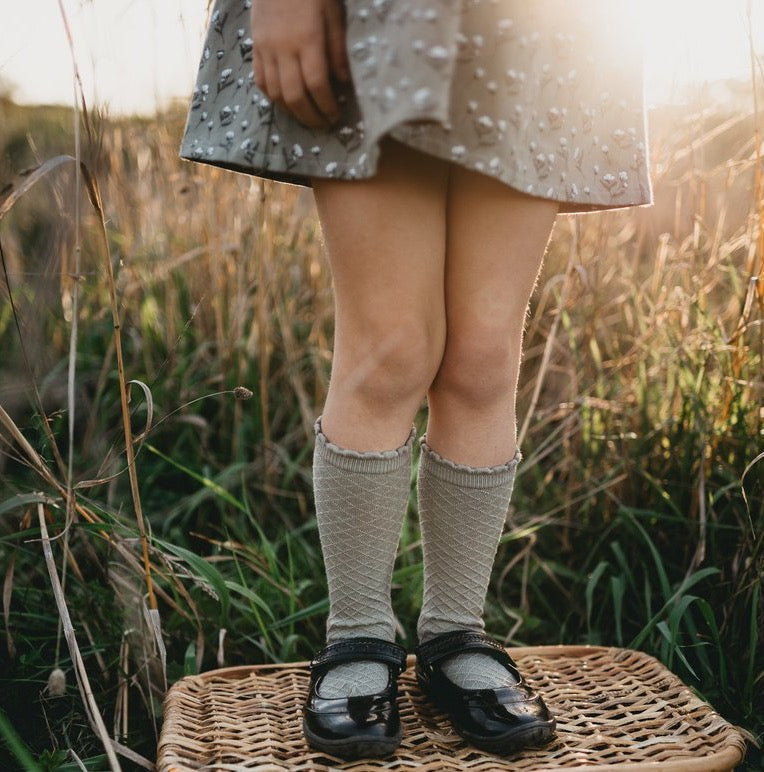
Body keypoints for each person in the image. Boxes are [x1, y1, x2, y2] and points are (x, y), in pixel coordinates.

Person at [181, 0, 651, 760]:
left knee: (483, 357)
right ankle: (358, 632)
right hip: (382, 16)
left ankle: (455, 632)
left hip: (536, 26)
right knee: (391, 350)